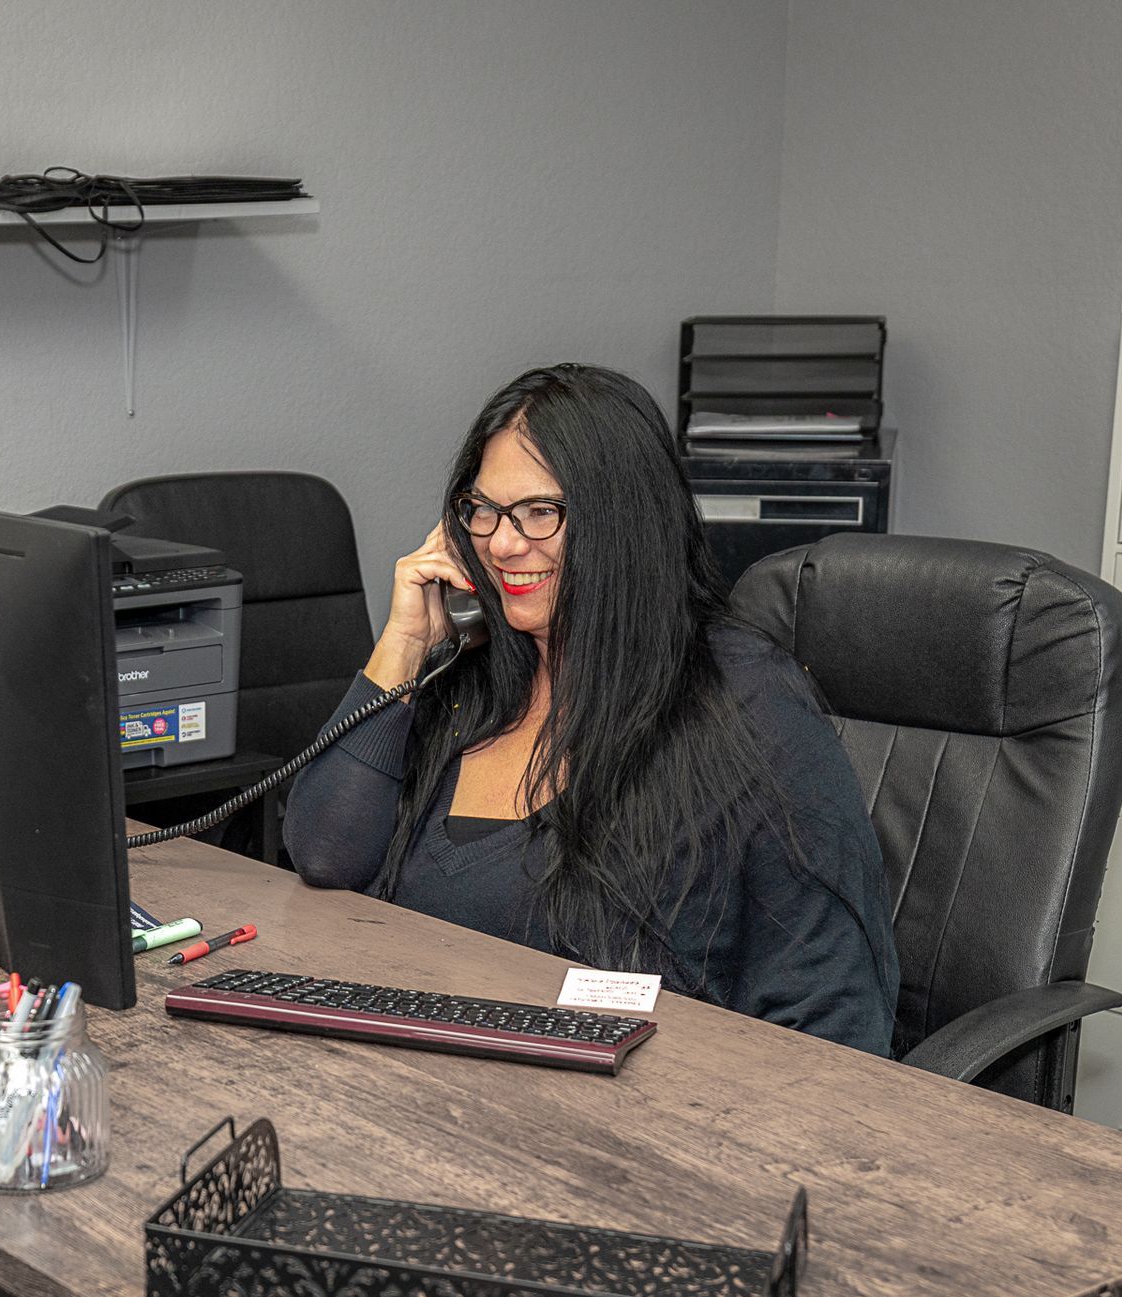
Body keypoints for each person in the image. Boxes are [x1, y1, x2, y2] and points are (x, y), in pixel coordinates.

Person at [283, 364, 898, 1055]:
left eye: (540, 512)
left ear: (623, 520)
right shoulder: (471, 684)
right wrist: (402, 645)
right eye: (481, 510)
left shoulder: (745, 705)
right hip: (441, 1086)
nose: (503, 544)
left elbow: (833, 1008)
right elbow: (325, 852)